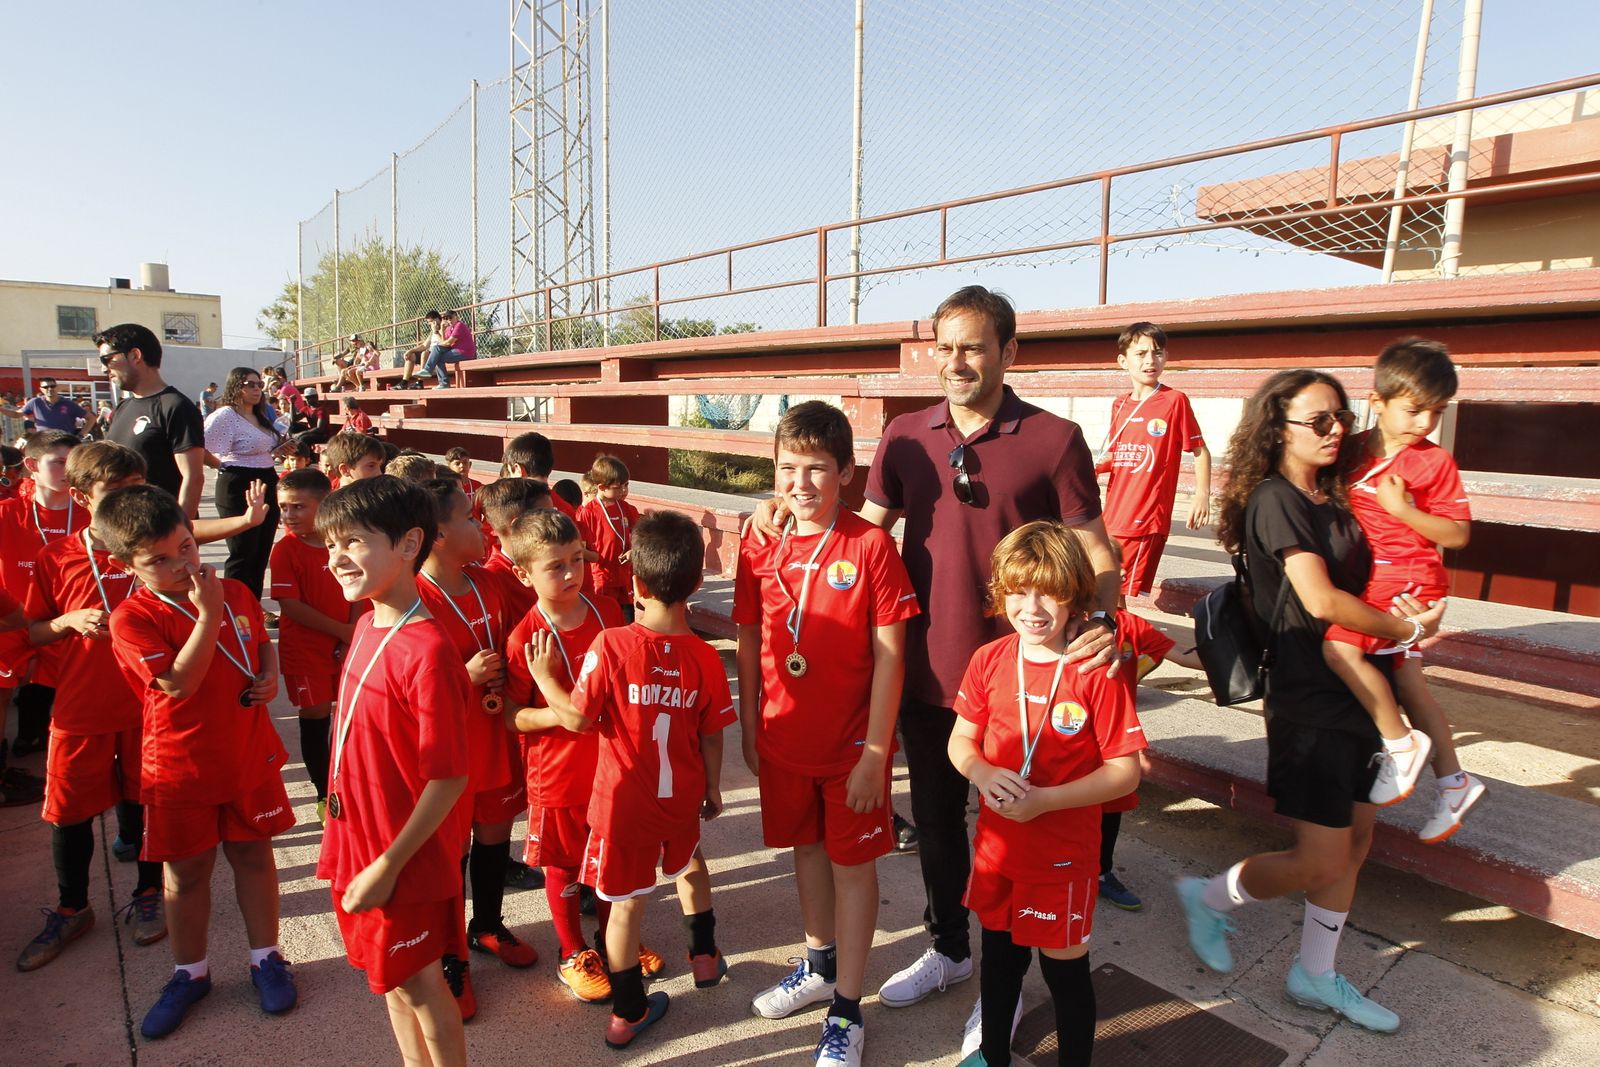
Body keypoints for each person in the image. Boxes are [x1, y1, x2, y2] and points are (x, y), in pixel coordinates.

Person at [751, 287, 1120, 1033]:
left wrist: (1108, 616)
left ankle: (1005, 981)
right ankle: (951, 948)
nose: (954, 361)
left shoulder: (1055, 438)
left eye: (972, 346)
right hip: (927, 669)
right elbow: (861, 529)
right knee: (942, 825)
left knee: (1013, 829)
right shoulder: (905, 435)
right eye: (944, 346)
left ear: (1009, 353)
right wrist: (779, 506)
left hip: (1022, 678)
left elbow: (1094, 547)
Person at [1175, 370, 1445, 1034]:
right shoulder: (1275, 499)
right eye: (1317, 421)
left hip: (1358, 684)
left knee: (1355, 841)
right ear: (1279, 427)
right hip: (1307, 698)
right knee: (1320, 855)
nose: (1334, 432)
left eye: (1341, 418)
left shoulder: (1334, 496)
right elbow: (1321, 601)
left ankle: (1315, 973)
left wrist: (1411, 605)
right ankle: (1209, 896)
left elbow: (1376, 576)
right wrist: (1408, 629)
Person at [734, 401, 919, 1067]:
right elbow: (750, 634)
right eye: (788, 468)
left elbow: (892, 654)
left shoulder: (870, 547)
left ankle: (846, 1008)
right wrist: (752, 726)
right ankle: (818, 964)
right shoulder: (761, 541)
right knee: (806, 853)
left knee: (851, 867)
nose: (801, 482)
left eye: (817, 468)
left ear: (847, 472)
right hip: (784, 742)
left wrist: (876, 752)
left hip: (850, 750)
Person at [525, 510, 734, 1050]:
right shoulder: (709, 659)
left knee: (626, 908)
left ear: (635, 583)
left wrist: (546, 678)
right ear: (694, 584)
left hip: (623, 808)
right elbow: (713, 735)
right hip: (681, 797)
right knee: (691, 865)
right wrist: (712, 787)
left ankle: (627, 1011)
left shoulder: (612, 645)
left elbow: (575, 717)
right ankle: (705, 957)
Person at [100, 484, 297, 1039]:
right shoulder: (132, 619)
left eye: (186, 547)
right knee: (186, 874)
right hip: (181, 766)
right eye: (158, 560)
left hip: (245, 755)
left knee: (254, 856)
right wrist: (206, 616)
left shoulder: (232, 590)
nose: (181, 564)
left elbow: (260, 638)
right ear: (126, 565)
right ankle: (191, 973)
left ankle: (266, 957)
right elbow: (179, 684)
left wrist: (269, 671)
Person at [947, 521, 1146, 1067]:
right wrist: (982, 773)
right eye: (1018, 591)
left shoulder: (1094, 671)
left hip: (1062, 858)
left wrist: (1043, 802)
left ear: (1075, 596)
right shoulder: (989, 660)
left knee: (1065, 974)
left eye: (1048, 593)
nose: (1031, 607)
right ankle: (992, 1054)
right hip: (997, 853)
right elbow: (960, 740)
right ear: (1000, 593)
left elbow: (1124, 773)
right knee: (1000, 964)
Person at [313, 475, 470, 1067]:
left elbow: (448, 776)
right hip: (359, 838)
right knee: (394, 982)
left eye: (353, 542)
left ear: (408, 545)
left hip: (400, 854)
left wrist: (387, 864)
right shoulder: (365, 624)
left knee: (424, 984)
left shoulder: (427, 650)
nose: (337, 559)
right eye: (331, 545)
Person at [15, 443, 168, 972]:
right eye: (116, 492)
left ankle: (150, 893)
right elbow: (33, 631)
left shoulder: (159, 549)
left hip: (148, 706)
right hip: (81, 707)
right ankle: (72, 906)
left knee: (145, 803)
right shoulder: (54, 559)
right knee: (69, 812)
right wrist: (65, 623)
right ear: (82, 497)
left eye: (138, 488)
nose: (132, 501)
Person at [1322, 339, 1483, 841]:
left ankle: (1399, 743)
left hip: (1405, 575)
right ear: (1377, 401)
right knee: (1410, 681)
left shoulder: (1432, 463)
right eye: (1414, 410)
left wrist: (1404, 512)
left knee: (1338, 648)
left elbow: (1458, 534)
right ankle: (1454, 782)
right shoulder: (1351, 449)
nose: (1423, 423)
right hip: (1379, 573)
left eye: (1435, 413)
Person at [415, 479, 533, 1020]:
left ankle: (485, 925)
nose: (481, 526)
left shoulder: (488, 582)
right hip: (449, 746)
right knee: (447, 850)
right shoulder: (413, 596)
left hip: (495, 736)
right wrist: (462, 677)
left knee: (493, 835)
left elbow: (535, 619)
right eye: (470, 517)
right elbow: (404, 685)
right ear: (438, 534)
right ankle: (448, 957)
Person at [502, 508, 630, 1003]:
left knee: (607, 856)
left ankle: (612, 939)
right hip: (555, 773)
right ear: (523, 573)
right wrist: (567, 708)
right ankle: (572, 951)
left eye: (577, 559)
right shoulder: (524, 640)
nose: (573, 573)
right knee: (562, 864)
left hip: (609, 766)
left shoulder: (607, 613)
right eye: (556, 566)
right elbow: (512, 716)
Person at [1097, 322, 1212, 602]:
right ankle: (1119, 644)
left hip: (1145, 517)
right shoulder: (1120, 404)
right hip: (1113, 515)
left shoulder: (1174, 401)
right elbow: (1120, 454)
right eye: (1141, 353)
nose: (1150, 360)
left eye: (1157, 352)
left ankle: (1124, 644)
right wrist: (1095, 468)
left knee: (1116, 594)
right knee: (1102, 590)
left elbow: (1200, 451)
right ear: (1123, 361)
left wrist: (1202, 495)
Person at [269, 468, 356, 826]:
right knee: (316, 717)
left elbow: (359, 590)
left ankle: (352, 783)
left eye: (298, 507)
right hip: (305, 651)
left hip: (347, 642)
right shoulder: (286, 550)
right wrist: (342, 631)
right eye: (284, 508)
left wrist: (351, 634)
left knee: (352, 717)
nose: (288, 515)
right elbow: (290, 606)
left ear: (324, 505)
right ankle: (325, 793)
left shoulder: (347, 542)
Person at [0, 431, 92, 757]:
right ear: (31, 465)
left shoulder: (94, 516)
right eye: (59, 463)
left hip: (67, 623)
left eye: (74, 463)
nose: (69, 471)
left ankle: (41, 742)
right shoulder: (7, 512)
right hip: (14, 622)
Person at [100, 323, 206, 518]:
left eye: (107, 359)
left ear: (135, 355)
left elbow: (193, 478)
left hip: (161, 529)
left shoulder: (175, 406)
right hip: (123, 527)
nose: (104, 368)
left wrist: (179, 532)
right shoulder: (123, 408)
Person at [203, 368, 283, 598]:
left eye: (259, 384)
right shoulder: (225, 415)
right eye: (250, 384)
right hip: (238, 482)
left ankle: (253, 606)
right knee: (242, 550)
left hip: (267, 479)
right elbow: (199, 447)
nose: (257, 389)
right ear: (237, 386)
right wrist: (221, 466)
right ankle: (236, 608)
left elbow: (262, 447)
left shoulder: (261, 414)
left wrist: (279, 450)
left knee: (261, 549)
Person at [575, 454, 639, 620]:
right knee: (606, 620)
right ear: (602, 487)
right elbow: (579, 549)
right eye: (619, 487)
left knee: (626, 620)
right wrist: (596, 557)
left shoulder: (625, 508)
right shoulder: (588, 513)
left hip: (624, 577)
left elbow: (640, 534)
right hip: (601, 579)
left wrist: (634, 551)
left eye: (626, 485)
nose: (624, 490)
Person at [2, 379, 89, 435]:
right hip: (44, 442)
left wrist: (81, 435)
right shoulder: (35, 402)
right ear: (41, 389)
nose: (50, 389)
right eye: (46, 387)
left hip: (65, 441)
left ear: (57, 387)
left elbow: (91, 418)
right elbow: (16, 414)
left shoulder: (68, 403)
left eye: (52, 386)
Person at [423, 310, 477, 388]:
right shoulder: (449, 328)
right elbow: (443, 342)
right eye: (446, 318)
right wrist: (441, 329)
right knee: (437, 354)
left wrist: (437, 348)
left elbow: (448, 343)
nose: (449, 320)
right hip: (455, 351)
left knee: (438, 355)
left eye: (450, 318)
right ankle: (441, 382)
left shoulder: (460, 325)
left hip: (465, 352)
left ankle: (437, 378)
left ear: (456, 317)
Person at [398, 311, 446, 389]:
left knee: (425, 353)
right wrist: (410, 351)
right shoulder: (432, 332)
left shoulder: (444, 328)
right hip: (430, 352)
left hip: (438, 353)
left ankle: (420, 382)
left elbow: (444, 343)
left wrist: (436, 331)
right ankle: (404, 382)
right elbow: (424, 345)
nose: (429, 324)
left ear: (436, 320)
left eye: (430, 322)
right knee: (411, 355)